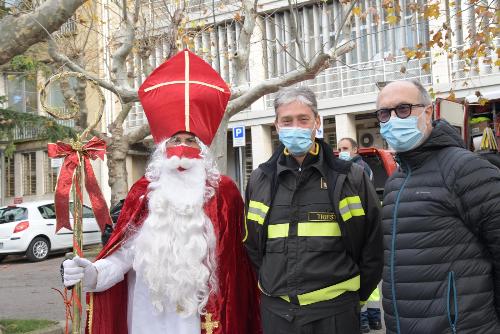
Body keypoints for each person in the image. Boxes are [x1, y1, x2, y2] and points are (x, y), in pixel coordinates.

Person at [62, 50, 261, 334]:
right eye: (175, 141)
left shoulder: (224, 193)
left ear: (202, 151)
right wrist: (90, 273)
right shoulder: (144, 193)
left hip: (201, 322)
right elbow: (123, 258)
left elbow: (236, 269)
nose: (181, 151)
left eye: (189, 141)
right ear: (161, 150)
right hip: (146, 321)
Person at [244, 86, 383, 334]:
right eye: (287, 120)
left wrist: (352, 300)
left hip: (335, 313)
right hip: (277, 313)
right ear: (276, 125)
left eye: (303, 119)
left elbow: (372, 245)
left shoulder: (350, 177)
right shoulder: (260, 180)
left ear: (317, 122)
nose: (295, 126)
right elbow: (253, 246)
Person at [377, 79, 500, 334]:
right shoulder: (395, 182)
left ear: (428, 111)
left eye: (402, 109)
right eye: (384, 113)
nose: (393, 120)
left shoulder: (466, 169)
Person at [338, 137, 381, 333]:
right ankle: (373, 319)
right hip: (357, 224)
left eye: (345, 148)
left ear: (355, 150)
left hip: (360, 225)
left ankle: (365, 321)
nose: (341, 151)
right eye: (339, 148)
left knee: (363, 282)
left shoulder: (360, 169)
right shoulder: (345, 168)